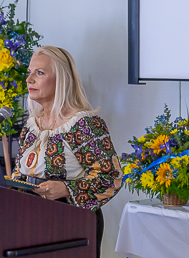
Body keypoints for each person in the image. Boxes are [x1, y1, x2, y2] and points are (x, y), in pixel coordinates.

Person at [11, 45, 123, 258]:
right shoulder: (31, 125)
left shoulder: (84, 124)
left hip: (71, 226)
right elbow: (20, 171)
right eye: (29, 73)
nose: (29, 79)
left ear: (61, 79)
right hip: (29, 222)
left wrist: (65, 189)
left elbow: (112, 177)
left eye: (40, 73)